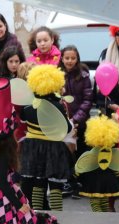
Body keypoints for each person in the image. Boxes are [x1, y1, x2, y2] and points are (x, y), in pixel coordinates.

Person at [18, 65, 73, 211]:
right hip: (54, 147)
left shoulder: (28, 107)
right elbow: (67, 128)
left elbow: (22, 120)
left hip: (32, 147)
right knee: (55, 185)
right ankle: (57, 214)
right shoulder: (58, 106)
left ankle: (37, 213)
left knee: (38, 183)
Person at [60, 45, 93, 157]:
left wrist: (75, 119)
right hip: (63, 122)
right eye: (67, 58)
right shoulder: (57, 74)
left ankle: (81, 174)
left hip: (80, 122)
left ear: (77, 59)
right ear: (62, 59)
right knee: (65, 153)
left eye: (73, 58)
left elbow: (87, 101)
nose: (70, 61)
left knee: (82, 152)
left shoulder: (83, 76)